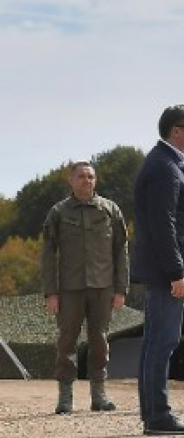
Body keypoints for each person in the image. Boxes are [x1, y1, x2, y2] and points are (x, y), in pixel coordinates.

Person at [132, 104, 184, 436]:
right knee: (163, 342)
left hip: (162, 266)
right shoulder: (164, 166)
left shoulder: (165, 162)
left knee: (155, 342)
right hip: (167, 269)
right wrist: (178, 272)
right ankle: (158, 416)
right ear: (176, 130)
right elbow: (164, 224)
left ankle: (153, 413)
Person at [40, 160, 128, 414]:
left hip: (103, 287)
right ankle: (65, 397)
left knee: (99, 340)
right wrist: (51, 292)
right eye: (80, 176)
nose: (86, 180)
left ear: (95, 180)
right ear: (71, 180)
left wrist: (120, 289)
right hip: (69, 288)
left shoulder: (110, 209)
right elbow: (48, 254)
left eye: (90, 176)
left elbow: (121, 251)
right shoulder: (58, 212)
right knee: (66, 341)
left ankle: (99, 395)